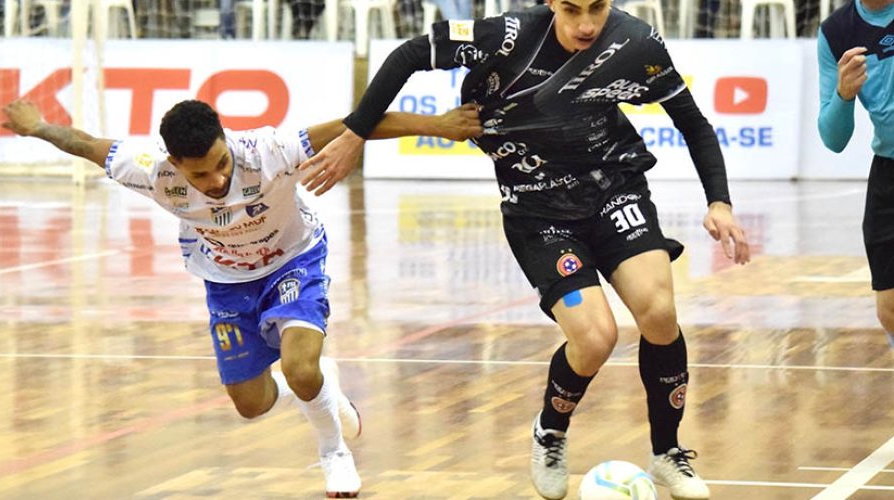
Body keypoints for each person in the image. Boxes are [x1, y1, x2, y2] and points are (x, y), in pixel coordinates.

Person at [298, 1, 751, 498]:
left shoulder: (636, 43)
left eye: (597, 8)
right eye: (572, 9)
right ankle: (550, 431)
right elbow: (410, 53)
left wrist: (720, 202)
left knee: (660, 312)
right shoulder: (506, 35)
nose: (585, 24)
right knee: (596, 338)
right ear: (552, 3)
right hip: (538, 212)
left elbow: (693, 122)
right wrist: (354, 134)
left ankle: (667, 452)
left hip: (614, 190)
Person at [0, 98, 481, 498]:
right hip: (226, 282)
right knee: (251, 404)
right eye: (200, 175)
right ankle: (318, 387)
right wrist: (39, 127)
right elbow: (84, 144)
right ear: (173, 165)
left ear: (228, 143)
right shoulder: (149, 171)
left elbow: (359, 121)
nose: (215, 181)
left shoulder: (268, 150)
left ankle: (334, 452)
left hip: (294, 261)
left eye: (221, 164)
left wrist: (436, 125)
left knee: (299, 365)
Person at [817, 0, 894, 343]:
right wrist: (844, 95)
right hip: (888, 174)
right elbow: (833, 138)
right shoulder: (836, 32)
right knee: (889, 307)